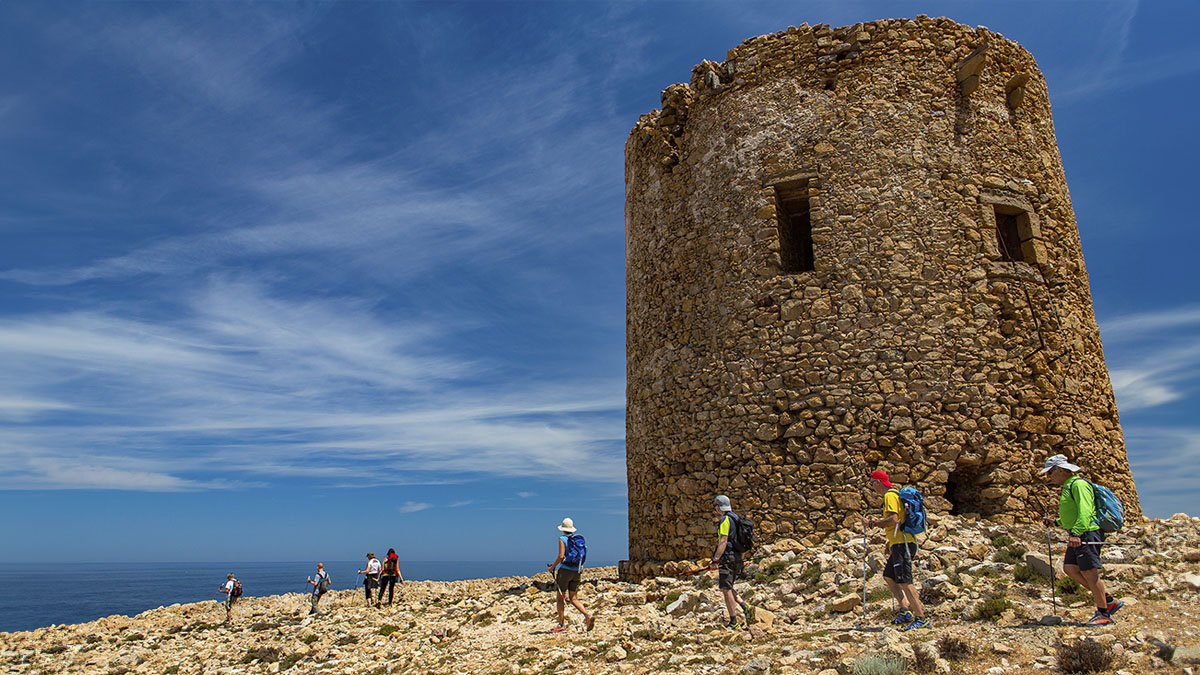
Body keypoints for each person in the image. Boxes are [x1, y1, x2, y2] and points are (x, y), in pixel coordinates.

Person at [1041, 454, 1122, 627]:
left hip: (1087, 533)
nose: (1049, 477)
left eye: (1050, 473)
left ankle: (1103, 613)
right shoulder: (1068, 487)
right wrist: (1056, 522)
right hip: (1077, 533)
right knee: (1070, 568)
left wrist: (1077, 533)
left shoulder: (1079, 485)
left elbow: (1085, 511)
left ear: (1061, 470)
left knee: (1090, 573)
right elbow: (1073, 513)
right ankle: (1107, 600)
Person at [864, 470, 929, 630]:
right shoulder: (893, 495)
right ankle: (905, 610)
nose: (872, 488)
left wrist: (873, 523)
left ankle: (921, 618)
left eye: (872, 484)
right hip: (899, 543)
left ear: (878, 482)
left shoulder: (889, 496)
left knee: (905, 581)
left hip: (902, 543)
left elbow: (893, 519)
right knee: (888, 576)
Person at [706, 495, 749, 629]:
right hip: (736, 557)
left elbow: (723, 541)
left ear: (718, 507)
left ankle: (733, 622)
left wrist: (715, 559)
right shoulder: (736, 518)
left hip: (727, 558)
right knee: (729, 587)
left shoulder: (725, 520)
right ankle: (745, 607)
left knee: (725, 589)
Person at [546, 517, 594, 633]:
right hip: (577, 571)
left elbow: (561, 556)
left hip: (565, 571)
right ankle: (587, 615)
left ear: (562, 529)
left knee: (560, 598)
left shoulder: (562, 539)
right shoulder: (577, 540)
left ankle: (561, 624)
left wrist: (552, 567)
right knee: (573, 598)